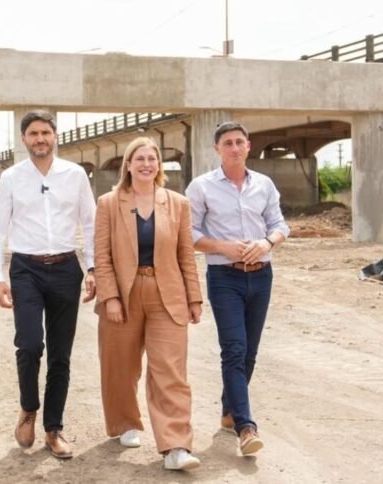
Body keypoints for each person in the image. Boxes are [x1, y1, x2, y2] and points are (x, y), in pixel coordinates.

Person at [0, 110, 96, 460]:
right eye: (33, 133)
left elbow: (91, 224)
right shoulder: (11, 178)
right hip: (26, 270)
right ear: (24, 139)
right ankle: (28, 408)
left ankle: (53, 429)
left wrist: (93, 267)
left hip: (66, 268)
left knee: (61, 355)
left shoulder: (75, 175)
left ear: (54, 135)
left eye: (45, 132)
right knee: (30, 344)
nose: (40, 139)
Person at [94, 137, 203, 471]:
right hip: (123, 295)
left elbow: (186, 254)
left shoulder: (178, 203)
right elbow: (102, 256)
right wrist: (110, 297)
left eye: (152, 159)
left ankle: (176, 447)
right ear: (128, 165)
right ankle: (125, 422)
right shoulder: (109, 203)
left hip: (167, 294)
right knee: (120, 365)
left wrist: (194, 298)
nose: (146, 164)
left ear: (159, 166)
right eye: (139, 159)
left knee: (170, 370)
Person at [185, 121, 289, 456]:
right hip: (224, 277)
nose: (234, 148)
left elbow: (279, 224)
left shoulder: (264, 184)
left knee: (249, 352)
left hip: (262, 275)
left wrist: (266, 243)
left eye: (239, 142)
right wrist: (222, 247)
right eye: (227, 143)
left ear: (248, 146)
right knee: (233, 348)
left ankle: (229, 412)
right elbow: (188, 232)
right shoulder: (201, 187)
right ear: (217, 149)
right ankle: (246, 427)